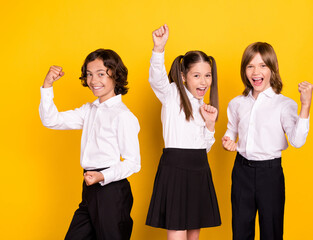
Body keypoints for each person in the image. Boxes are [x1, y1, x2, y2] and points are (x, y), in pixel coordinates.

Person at [39, 49, 141, 240]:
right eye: (89, 74)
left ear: (115, 75)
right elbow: (51, 120)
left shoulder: (123, 116)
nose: (94, 80)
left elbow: (133, 162)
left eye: (101, 74)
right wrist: (47, 86)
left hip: (111, 190)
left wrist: (102, 175)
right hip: (89, 189)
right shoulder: (89, 110)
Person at [222, 42, 313, 240]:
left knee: (271, 232)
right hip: (241, 173)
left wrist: (305, 105)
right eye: (250, 66)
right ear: (244, 70)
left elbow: (297, 141)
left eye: (263, 65)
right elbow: (231, 131)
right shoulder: (237, 103)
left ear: (272, 69)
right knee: (240, 230)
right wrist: (227, 140)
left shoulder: (284, 104)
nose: (256, 71)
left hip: (270, 175)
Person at [145, 24, 221, 240]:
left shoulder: (204, 106)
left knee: (194, 234)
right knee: (177, 232)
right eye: (197, 75)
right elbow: (156, 78)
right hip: (176, 167)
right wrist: (158, 49)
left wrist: (210, 125)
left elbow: (204, 148)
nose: (204, 81)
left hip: (199, 168)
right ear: (183, 76)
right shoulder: (171, 95)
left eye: (207, 76)